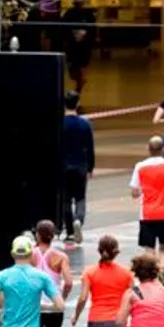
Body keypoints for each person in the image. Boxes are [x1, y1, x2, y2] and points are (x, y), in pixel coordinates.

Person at [130, 136, 164, 270]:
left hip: (147, 214)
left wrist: (143, 190)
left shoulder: (140, 166)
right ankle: (162, 271)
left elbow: (134, 192)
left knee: (149, 249)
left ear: (148, 149)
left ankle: (152, 273)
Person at [60, 91, 96, 240]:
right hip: (80, 165)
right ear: (78, 103)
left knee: (66, 199)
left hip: (63, 166)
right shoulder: (85, 123)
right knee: (80, 198)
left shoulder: (59, 123)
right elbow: (90, 147)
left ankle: (69, 231)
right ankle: (78, 221)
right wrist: (90, 167)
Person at [64, 0, 98, 95]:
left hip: (84, 44)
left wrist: (91, 38)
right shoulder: (69, 13)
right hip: (73, 44)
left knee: (82, 65)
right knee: (73, 68)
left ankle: (79, 84)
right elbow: (65, 28)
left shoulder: (88, 13)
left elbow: (92, 27)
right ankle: (79, 80)